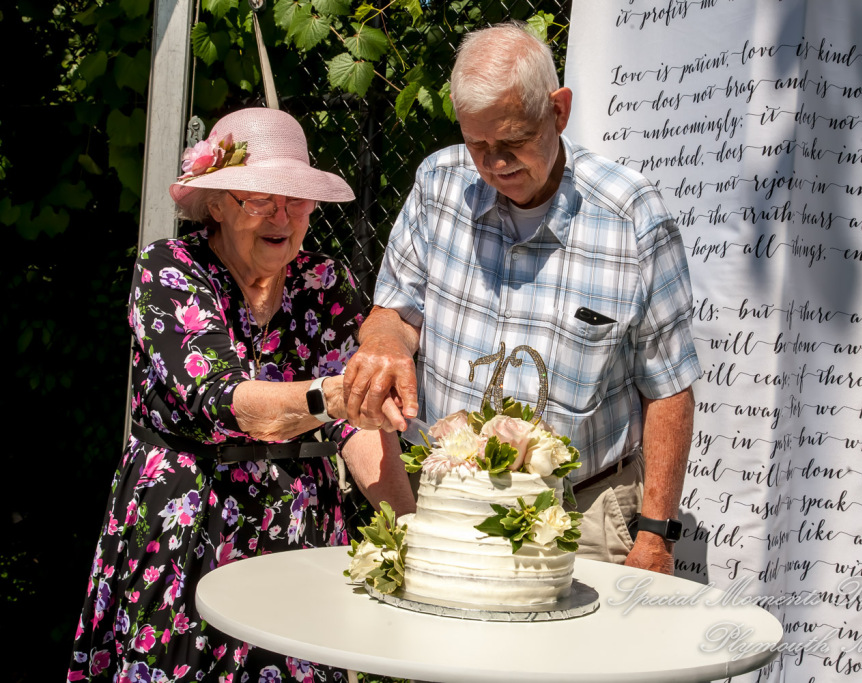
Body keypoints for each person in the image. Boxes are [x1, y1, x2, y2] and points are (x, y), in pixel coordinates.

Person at [67, 107, 414, 682]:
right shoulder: (171, 270)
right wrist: (328, 399)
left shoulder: (323, 282)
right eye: (261, 200)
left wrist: (410, 534)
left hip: (299, 529)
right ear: (221, 203)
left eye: (296, 199)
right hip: (189, 524)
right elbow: (224, 400)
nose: (282, 215)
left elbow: (359, 426)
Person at [342, 23, 701, 574]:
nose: (495, 164)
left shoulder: (631, 217)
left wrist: (656, 534)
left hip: (581, 512)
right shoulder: (439, 185)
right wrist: (386, 341)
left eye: (513, 142)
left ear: (559, 110)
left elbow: (669, 386)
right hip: (447, 502)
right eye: (478, 145)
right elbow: (395, 310)